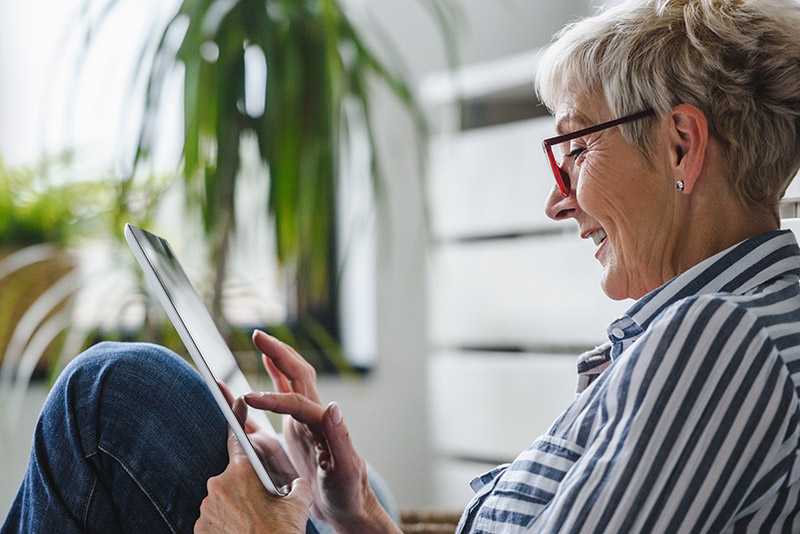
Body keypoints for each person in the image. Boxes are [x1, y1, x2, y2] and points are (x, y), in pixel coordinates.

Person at [5, 0, 800, 531]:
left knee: (110, 393)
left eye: (575, 150)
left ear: (682, 146)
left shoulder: (723, 341)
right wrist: (361, 518)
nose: (557, 202)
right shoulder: (719, 327)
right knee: (160, 406)